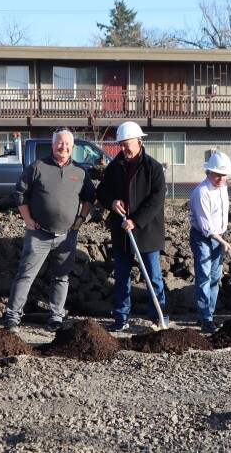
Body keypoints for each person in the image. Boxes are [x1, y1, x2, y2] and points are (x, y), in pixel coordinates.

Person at [5, 129, 95, 332]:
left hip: (66, 235)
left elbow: (90, 197)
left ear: (73, 147)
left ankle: (56, 316)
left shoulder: (80, 172)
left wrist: (80, 220)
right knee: (25, 275)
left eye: (67, 144)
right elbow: (20, 192)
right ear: (53, 145)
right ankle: (12, 316)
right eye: (59, 143)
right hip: (38, 234)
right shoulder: (37, 167)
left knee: (61, 276)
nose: (63, 147)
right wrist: (27, 219)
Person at [96, 121, 167, 332]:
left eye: (127, 144)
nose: (124, 148)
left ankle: (158, 317)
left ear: (139, 141)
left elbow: (157, 199)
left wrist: (136, 220)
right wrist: (112, 202)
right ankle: (121, 318)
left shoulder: (153, 167)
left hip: (147, 232)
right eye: (121, 144)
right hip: (122, 233)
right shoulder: (115, 166)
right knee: (121, 278)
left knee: (153, 277)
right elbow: (102, 192)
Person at [188, 152, 231, 333]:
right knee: (204, 277)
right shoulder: (202, 192)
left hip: (219, 236)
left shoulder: (223, 187)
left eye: (224, 175)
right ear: (208, 172)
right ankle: (205, 318)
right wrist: (224, 242)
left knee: (215, 278)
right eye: (217, 175)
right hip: (203, 237)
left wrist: (223, 239)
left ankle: (210, 314)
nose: (221, 178)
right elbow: (206, 227)